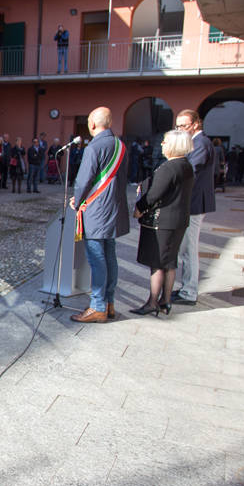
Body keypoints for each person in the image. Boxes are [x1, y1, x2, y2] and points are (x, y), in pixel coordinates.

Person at [68, 106, 129, 323]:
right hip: (114, 208)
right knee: (110, 256)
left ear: (92, 124)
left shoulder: (94, 147)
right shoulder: (121, 146)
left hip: (96, 210)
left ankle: (97, 306)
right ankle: (109, 302)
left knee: (97, 259)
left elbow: (84, 180)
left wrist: (77, 199)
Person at [130, 129, 195, 317]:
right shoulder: (186, 165)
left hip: (162, 221)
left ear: (174, 145)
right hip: (178, 220)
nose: (162, 145)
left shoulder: (169, 167)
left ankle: (152, 302)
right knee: (169, 261)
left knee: (157, 262)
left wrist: (139, 207)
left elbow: (154, 195)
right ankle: (165, 301)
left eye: (165, 141)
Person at [171, 109, 216, 306]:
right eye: (178, 126)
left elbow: (189, 171)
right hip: (191, 202)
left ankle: (189, 292)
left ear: (196, 124)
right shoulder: (195, 142)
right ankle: (186, 288)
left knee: (189, 249)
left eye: (184, 126)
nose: (180, 130)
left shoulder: (201, 143)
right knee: (184, 249)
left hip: (194, 203)